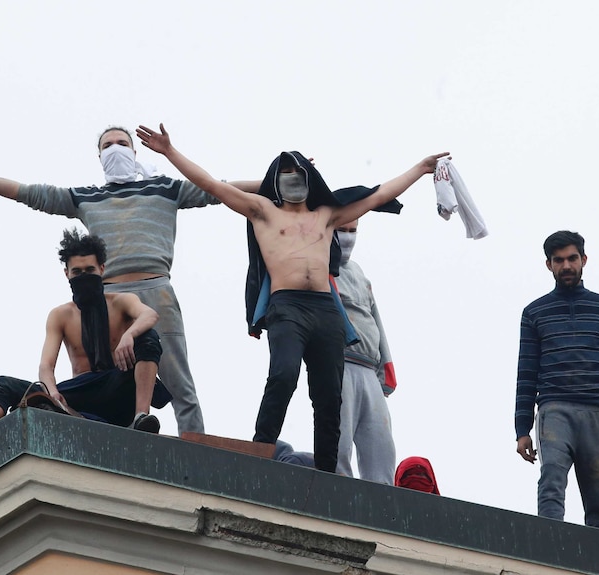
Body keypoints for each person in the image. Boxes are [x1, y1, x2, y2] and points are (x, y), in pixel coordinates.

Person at [137, 123, 447, 472]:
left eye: (297, 172)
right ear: (274, 179)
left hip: (325, 309)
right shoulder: (262, 211)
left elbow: (377, 195)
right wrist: (169, 151)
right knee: (283, 376)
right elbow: (211, 184)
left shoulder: (326, 215)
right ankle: (260, 450)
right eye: (284, 172)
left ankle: (328, 471)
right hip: (287, 307)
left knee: (329, 394)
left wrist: (420, 169)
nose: (292, 178)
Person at [0, 127, 260, 435]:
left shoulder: (166, 188)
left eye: (122, 144)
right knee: (101, 370)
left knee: (179, 383)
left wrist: (277, 182)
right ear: (98, 157)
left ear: (134, 152)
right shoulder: (87, 197)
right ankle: (102, 427)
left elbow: (220, 189)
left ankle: (196, 450)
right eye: (107, 146)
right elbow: (30, 194)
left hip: (155, 290)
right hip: (108, 296)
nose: (115, 149)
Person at [0, 229, 166, 456]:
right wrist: (52, 393)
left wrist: (128, 335)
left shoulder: (122, 301)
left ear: (102, 269)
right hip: (80, 393)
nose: (84, 277)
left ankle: (140, 418)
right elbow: (46, 366)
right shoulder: (61, 315)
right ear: (66, 274)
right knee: (4, 385)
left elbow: (149, 315)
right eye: (77, 272)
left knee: (147, 337)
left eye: (90, 270)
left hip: (118, 387)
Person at [515, 230, 599, 530]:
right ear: (548, 265)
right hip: (554, 409)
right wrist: (522, 429)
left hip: (597, 412)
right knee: (552, 479)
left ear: (584, 260)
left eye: (572, 258)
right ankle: (547, 548)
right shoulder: (534, 313)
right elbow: (526, 374)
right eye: (558, 260)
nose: (566, 266)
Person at [334, 218, 397, 484]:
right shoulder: (319, 267)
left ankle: (382, 505)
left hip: (369, 369)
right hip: (340, 365)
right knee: (339, 442)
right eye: (343, 230)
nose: (349, 237)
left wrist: (387, 370)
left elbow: (375, 320)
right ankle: (339, 497)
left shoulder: (360, 273)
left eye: (353, 230)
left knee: (381, 446)